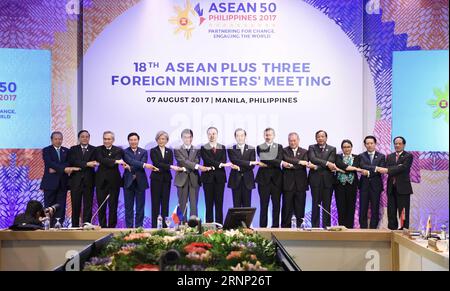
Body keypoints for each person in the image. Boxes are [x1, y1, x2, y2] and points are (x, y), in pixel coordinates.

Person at [40, 131, 79, 226]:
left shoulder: (66, 151)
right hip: (50, 184)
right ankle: (48, 225)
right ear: (52, 140)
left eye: (60, 139)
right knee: (49, 206)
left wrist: (58, 169)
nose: (58, 141)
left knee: (61, 206)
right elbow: (49, 163)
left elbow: (68, 163)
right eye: (56, 139)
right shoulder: (46, 150)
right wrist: (64, 169)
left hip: (63, 184)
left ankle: (58, 225)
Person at [376, 136, 413, 230]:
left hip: (403, 188)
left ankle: (403, 231)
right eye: (395, 143)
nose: (397, 145)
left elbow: (403, 168)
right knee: (391, 211)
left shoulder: (408, 156)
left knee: (403, 211)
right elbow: (392, 168)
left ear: (404, 145)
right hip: (391, 187)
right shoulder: (390, 156)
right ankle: (392, 230)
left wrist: (390, 169)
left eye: (399, 143)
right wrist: (396, 167)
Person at [256, 128, 291, 228]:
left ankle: (275, 227)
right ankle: (262, 229)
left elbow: (276, 158)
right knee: (264, 205)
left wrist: (271, 162)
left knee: (276, 205)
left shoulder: (279, 147)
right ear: (264, 136)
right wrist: (279, 163)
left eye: (270, 135)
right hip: (263, 180)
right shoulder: (259, 147)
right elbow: (264, 157)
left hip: (277, 180)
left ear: (274, 136)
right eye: (266, 135)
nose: (268, 137)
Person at [123, 132, 157, 228]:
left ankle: (139, 227)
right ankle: (128, 228)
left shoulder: (144, 152)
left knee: (140, 207)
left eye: (135, 140)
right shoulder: (125, 152)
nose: (133, 142)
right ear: (128, 141)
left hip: (140, 182)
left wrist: (131, 167)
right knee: (128, 207)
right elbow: (130, 161)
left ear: (138, 140)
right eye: (131, 140)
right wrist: (143, 165)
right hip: (128, 182)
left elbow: (139, 164)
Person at [174, 129, 209, 221]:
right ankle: (182, 225)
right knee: (182, 204)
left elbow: (196, 161)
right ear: (182, 138)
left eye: (189, 137)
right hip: (182, 180)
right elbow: (182, 161)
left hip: (194, 179)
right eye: (185, 137)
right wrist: (196, 166)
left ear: (192, 138)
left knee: (194, 204)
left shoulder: (197, 149)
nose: (187, 139)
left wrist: (186, 168)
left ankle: (193, 225)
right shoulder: (177, 149)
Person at [95, 131, 128, 228]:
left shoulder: (118, 150)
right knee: (101, 206)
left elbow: (106, 161)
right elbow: (100, 159)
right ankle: (102, 226)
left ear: (113, 140)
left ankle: (111, 227)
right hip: (101, 182)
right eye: (105, 139)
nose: (106, 141)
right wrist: (115, 161)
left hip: (114, 181)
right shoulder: (98, 149)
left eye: (109, 139)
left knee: (113, 206)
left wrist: (112, 161)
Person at [150, 131, 183, 228]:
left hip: (166, 180)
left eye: (163, 139)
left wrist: (169, 166)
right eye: (159, 139)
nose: (161, 140)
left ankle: (165, 226)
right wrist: (170, 166)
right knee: (155, 203)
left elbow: (168, 163)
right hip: (156, 180)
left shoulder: (169, 151)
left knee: (165, 203)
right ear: (157, 140)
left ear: (167, 140)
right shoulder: (153, 150)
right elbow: (156, 163)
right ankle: (154, 226)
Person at [281, 132, 313, 228]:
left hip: (301, 185)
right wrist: (299, 162)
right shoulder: (283, 150)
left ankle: (300, 229)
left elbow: (305, 162)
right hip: (287, 184)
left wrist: (291, 164)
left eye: (294, 140)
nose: (293, 142)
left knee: (300, 209)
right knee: (286, 209)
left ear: (298, 140)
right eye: (291, 140)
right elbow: (286, 159)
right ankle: (284, 230)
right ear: (288, 141)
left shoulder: (305, 151)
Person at [200, 127, 231, 224]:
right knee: (208, 204)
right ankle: (208, 227)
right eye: (209, 134)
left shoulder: (222, 147)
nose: (212, 136)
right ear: (207, 135)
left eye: (214, 133)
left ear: (217, 135)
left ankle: (219, 226)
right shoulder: (203, 148)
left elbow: (224, 160)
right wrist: (219, 165)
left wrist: (213, 166)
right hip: (207, 179)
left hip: (220, 179)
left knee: (219, 204)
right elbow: (207, 160)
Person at [68, 130, 98, 227]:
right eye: (82, 136)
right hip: (75, 181)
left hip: (89, 181)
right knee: (75, 206)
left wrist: (83, 163)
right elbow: (73, 161)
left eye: (87, 137)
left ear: (89, 138)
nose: (85, 138)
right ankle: (74, 226)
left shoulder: (94, 149)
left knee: (88, 206)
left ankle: (86, 226)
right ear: (79, 138)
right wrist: (87, 164)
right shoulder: (73, 149)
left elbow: (94, 162)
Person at [308, 130, 337, 228]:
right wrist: (327, 163)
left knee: (327, 206)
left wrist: (316, 166)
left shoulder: (332, 149)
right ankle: (314, 227)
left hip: (328, 181)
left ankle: (326, 227)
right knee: (315, 204)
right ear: (316, 138)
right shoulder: (312, 147)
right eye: (318, 137)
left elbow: (331, 161)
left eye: (322, 136)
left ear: (326, 138)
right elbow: (312, 159)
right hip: (315, 181)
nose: (320, 138)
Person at [334, 139, 366, 229]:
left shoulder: (357, 157)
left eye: (348, 147)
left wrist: (343, 169)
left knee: (351, 208)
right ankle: (341, 228)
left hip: (352, 185)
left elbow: (352, 166)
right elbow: (342, 165)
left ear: (351, 147)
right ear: (342, 148)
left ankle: (350, 229)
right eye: (344, 147)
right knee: (341, 208)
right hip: (339, 185)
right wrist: (355, 169)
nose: (346, 149)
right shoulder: (338, 157)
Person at [358, 135, 386, 229]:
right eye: (367, 143)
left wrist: (369, 172)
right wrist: (376, 168)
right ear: (365, 145)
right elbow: (362, 165)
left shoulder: (381, 156)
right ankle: (363, 229)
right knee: (363, 209)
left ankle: (374, 230)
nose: (369, 145)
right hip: (364, 186)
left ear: (375, 144)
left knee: (375, 209)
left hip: (376, 186)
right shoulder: (361, 156)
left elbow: (381, 170)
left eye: (371, 143)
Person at [227, 128, 257, 208]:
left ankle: (246, 221)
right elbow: (235, 161)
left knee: (247, 206)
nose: (240, 137)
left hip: (248, 180)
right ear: (235, 137)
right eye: (237, 136)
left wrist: (239, 168)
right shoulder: (231, 149)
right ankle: (237, 221)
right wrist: (249, 162)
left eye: (242, 135)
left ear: (245, 136)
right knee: (236, 206)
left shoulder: (251, 148)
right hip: (235, 180)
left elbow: (252, 166)